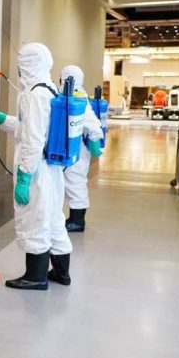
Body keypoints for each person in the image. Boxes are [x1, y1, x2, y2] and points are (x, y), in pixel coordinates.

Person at [0, 43, 72, 289]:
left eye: (21, 61)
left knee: (35, 219)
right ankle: (61, 273)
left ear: (28, 63)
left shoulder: (34, 95)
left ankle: (35, 277)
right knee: (52, 218)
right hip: (51, 167)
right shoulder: (49, 89)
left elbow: (32, 140)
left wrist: (24, 177)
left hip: (37, 169)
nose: (18, 67)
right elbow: (26, 128)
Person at [59, 65, 104, 233]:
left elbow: (93, 125)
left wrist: (94, 145)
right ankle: (73, 218)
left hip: (77, 152)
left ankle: (78, 221)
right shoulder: (68, 96)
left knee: (75, 183)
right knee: (70, 184)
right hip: (69, 151)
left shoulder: (78, 99)